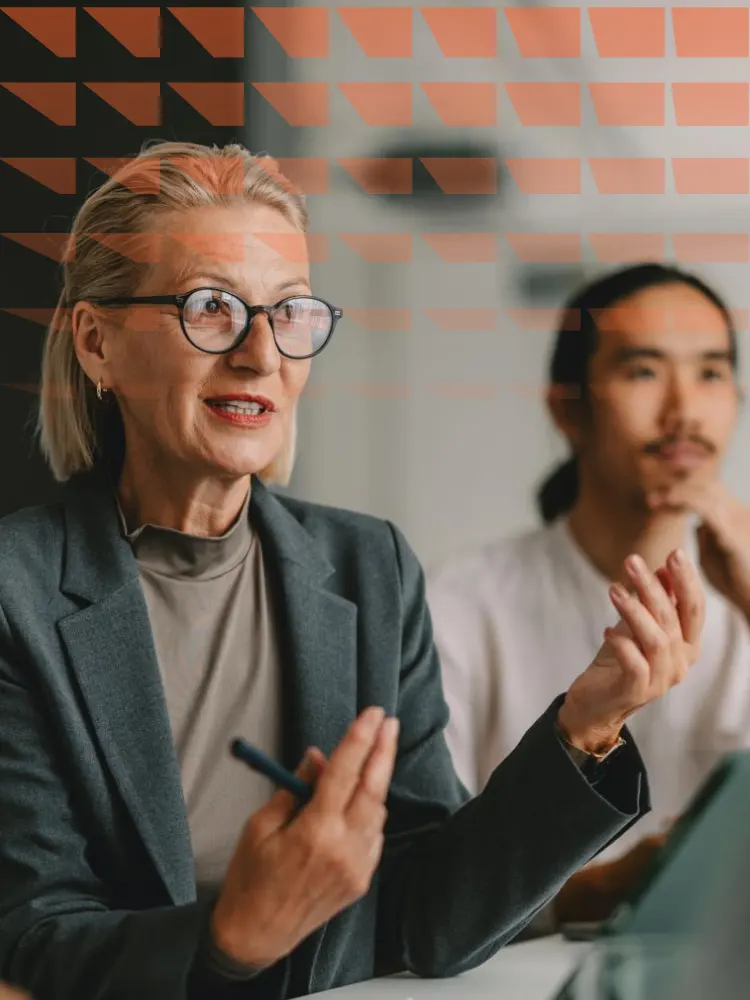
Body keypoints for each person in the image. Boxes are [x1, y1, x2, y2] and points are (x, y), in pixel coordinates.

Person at [0, 146, 704, 1000]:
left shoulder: (369, 567)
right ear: (96, 341)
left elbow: (430, 917)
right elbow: (34, 937)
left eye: (290, 312)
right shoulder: (18, 591)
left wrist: (588, 727)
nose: (261, 354)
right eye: (212, 307)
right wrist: (233, 939)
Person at [428, 262, 750, 927]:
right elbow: (423, 884)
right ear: (567, 408)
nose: (685, 411)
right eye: (643, 371)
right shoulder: (460, 604)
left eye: (712, 373)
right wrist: (610, 888)